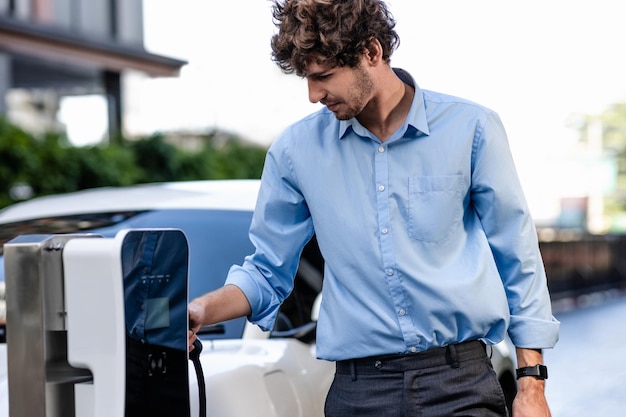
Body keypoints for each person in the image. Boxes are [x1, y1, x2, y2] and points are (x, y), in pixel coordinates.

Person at [188, 0, 560, 415]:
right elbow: (266, 272)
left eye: (324, 76)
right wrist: (202, 309)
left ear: (371, 52)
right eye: (306, 79)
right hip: (359, 393)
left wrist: (531, 383)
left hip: (460, 384)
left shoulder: (471, 129)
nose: (313, 95)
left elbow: (518, 257)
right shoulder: (295, 152)